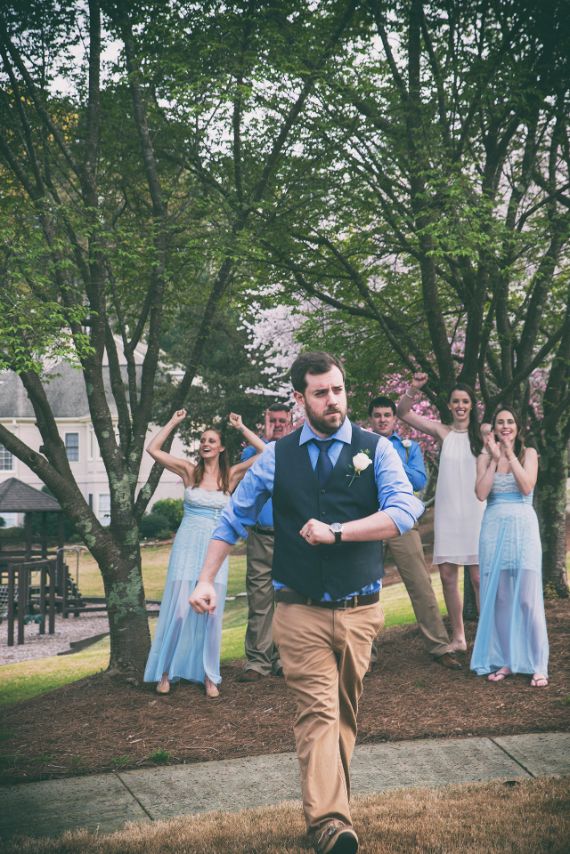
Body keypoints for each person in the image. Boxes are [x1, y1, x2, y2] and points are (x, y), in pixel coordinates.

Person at [190, 352, 423, 854]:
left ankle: (328, 808)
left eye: (337, 390)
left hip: (361, 609)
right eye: (320, 393)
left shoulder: (376, 449)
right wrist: (206, 579)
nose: (332, 400)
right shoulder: (277, 456)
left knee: (344, 714)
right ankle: (330, 824)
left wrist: (338, 532)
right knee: (318, 712)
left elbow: (404, 511)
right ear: (300, 400)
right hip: (297, 609)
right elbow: (232, 519)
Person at [143, 410, 265, 698]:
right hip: (187, 545)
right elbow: (153, 449)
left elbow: (265, 452)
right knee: (180, 611)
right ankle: (165, 672)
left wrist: (241, 426)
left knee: (211, 613)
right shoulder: (189, 471)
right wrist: (173, 422)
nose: (206, 444)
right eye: (202, 440)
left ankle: (209, 675)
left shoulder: (231, 474)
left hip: (216, 549)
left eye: (212, 440)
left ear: (221, 447)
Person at [368, 396, 461, 670]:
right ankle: (365, 654)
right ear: (370, 419)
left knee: (420, 584)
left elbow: (419, 481)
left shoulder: (409, 448)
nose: (383, 419)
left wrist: (390, 454)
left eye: (387, 414)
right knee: (366, 588)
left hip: (401, 522)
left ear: (394, 419)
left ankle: (439, 646)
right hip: (369, 522)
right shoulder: (361, 447)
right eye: (377, 415)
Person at [397, 373, 484, 652]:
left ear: (472, 405)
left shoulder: (482, 434)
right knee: (448, 576)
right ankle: (459, 638)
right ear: (449, 405)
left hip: (476, 512)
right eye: (456, 401)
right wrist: (414, 388)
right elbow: (403, 413)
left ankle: (486, 638)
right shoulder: (442, 431)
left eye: (465, 401)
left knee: (479, 579)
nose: (460, 406)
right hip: (448, 513)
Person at [471, 406, 548, 687]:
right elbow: (481, 493)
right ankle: (507, 660)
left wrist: (509, 453)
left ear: (518, 427)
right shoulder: (483, 457)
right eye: (500, 422)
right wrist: (493, 457)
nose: (505, 426)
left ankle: (538, 664)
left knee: (527, 600)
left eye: (510, 422)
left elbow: (527, 486)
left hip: (523, 530)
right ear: (493, 428)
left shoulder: (528, 454)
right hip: (493, 531)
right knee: (502, 600)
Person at [238, 403, 293, 682]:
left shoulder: (297, 451)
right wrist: (265, 439)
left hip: (291, 538)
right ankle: (257, 661)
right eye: (273, 421)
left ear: (291, 423)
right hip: (261, 535)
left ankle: (284, 658)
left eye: (283, 420)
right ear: (265, 423)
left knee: (288, 600)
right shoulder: (252, 453)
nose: (279, 424)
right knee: (260, 599)